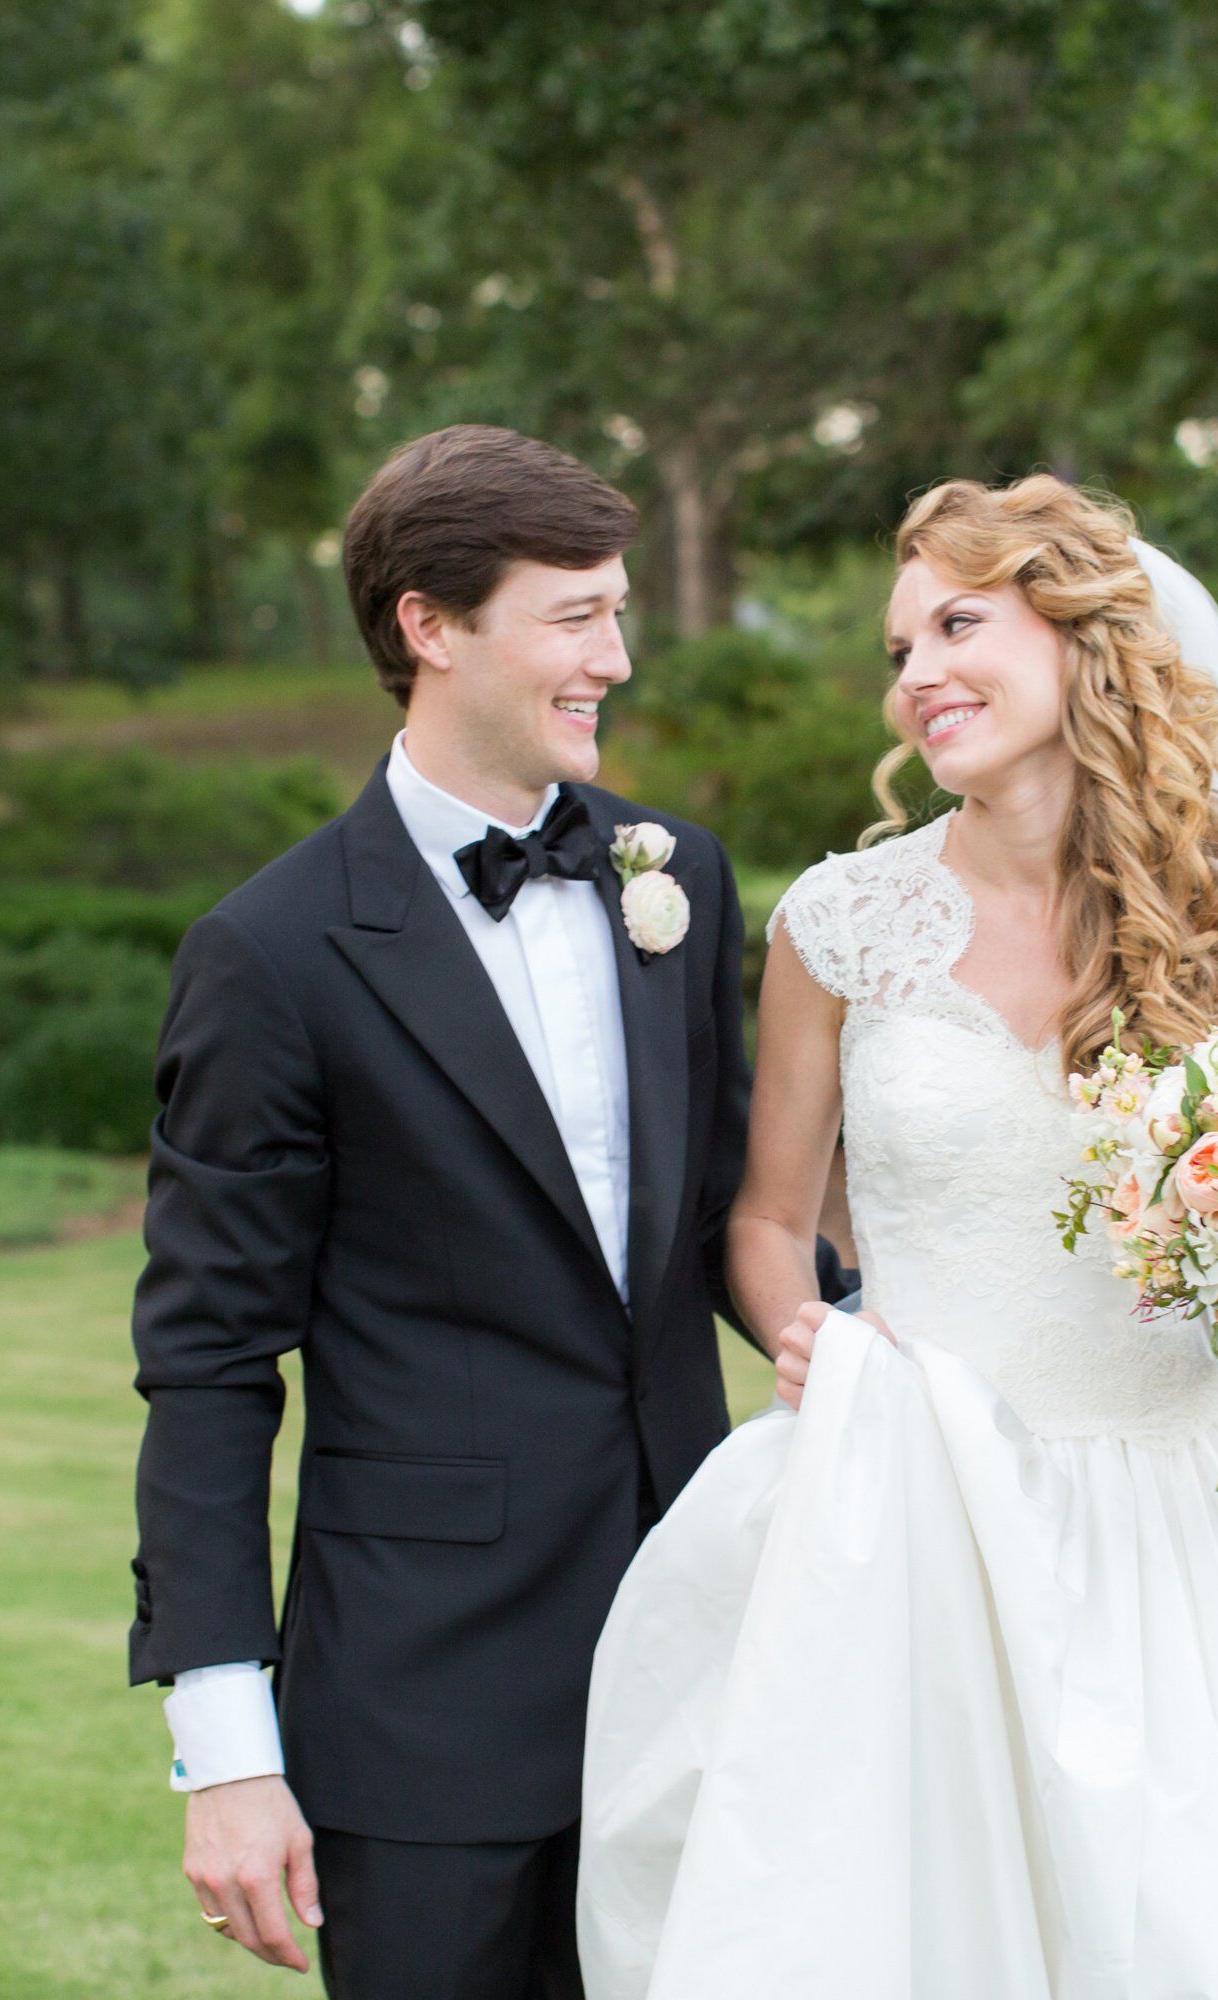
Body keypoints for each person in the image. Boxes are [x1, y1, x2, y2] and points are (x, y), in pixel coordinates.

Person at [578, 475, 1218, 1997]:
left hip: (1181, 1524)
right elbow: (769, 1216)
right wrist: (804, 1324)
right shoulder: (839, 924)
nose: (917, 672)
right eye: (897, 647)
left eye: (957, 623)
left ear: (1079, 638)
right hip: (912, 1495)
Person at [125, 424, 841, 1997]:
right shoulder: (272, 955)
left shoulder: (681, 880)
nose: (619, 656)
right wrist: (226, 1749)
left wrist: (912, 1357)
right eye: (576, 615)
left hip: (705, 1654)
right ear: (429, 627)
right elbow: (209, 1367)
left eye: (621, 610)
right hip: (425, 1704)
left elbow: (739, 1211)